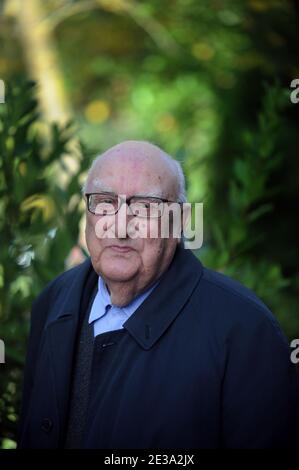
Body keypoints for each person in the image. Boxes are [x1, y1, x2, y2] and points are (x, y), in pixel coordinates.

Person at [18, 140, 299, 449]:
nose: (120, 226)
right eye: (103, 202)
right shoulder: (53, 302)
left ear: (181, 221)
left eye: (145, 207)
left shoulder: (245, 330)